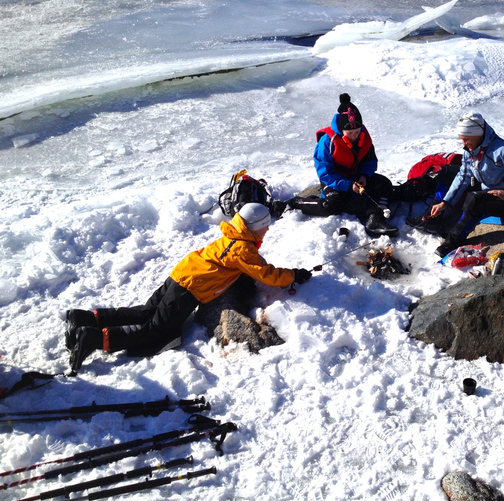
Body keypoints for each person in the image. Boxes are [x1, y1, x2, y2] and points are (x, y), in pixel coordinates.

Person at [64, 203, 312, 372]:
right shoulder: (243, 248)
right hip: (189, 289)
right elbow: (266, 274)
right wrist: (293, 276)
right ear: (256, 226)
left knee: (144, 312)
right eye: (265, 225)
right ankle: (93, 338)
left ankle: (84, 318)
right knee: (156, 330)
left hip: (181, 274)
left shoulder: (235, 236)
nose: (268, 229)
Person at [287, 93, 399, 238]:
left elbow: (370, 160)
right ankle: (299, 203)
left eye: (357, 132)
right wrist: (347, 185)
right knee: (332, 206)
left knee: (384, 183)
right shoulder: (327, 142)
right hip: (333, 179)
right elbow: (325, 173)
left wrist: (363, 175)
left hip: (355, 175)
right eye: (350, 133)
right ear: (341, 130)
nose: (354, 136)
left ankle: (375, 218)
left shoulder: (364, 137)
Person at [430, 113, 504, 257]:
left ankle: (454, 240)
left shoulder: (501, 150)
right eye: (461, 139)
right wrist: (445, 202)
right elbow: (463, 177)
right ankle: (433, 220)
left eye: (466, 139)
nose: (463, 143)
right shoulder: (470, 150)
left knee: (474, 199)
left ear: (477, 134)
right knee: (450, 172)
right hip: (488, 192)